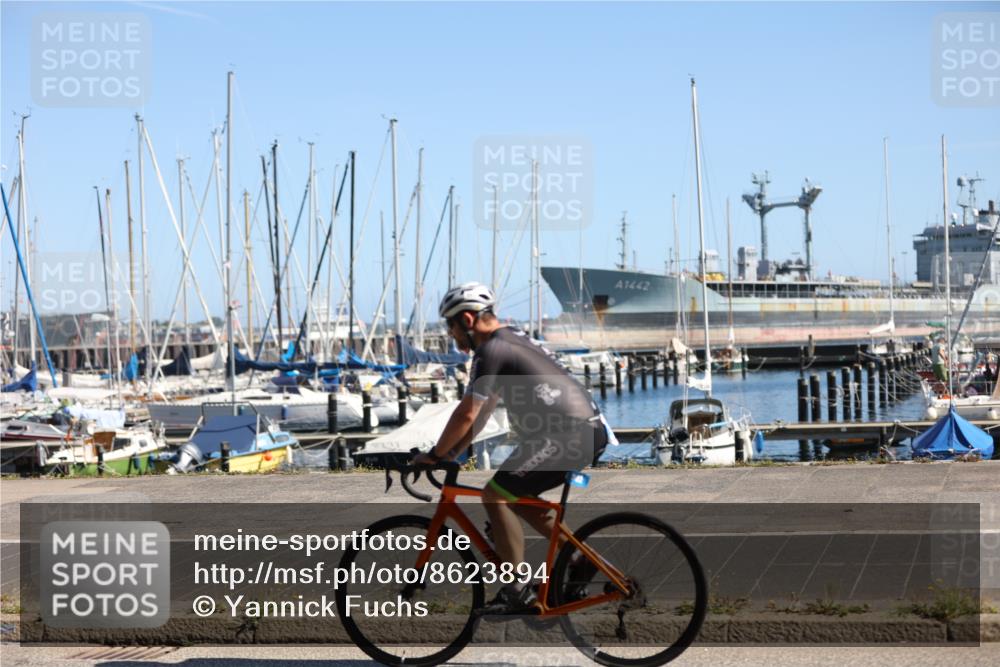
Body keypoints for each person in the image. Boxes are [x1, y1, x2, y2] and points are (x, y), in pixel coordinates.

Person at [412, 282, 610, 615]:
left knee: (495, 494)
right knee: (519, 498)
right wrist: (452, 453)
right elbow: (483, 412)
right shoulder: (509, 339)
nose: (451, 334)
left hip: (569, 434)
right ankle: (579, 560)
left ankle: (516, 588)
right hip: (582, 431)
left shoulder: (492, 350)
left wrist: (434, 454)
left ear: (467, 320)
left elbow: (467, 413)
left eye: (451, 325)